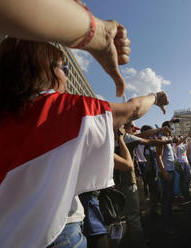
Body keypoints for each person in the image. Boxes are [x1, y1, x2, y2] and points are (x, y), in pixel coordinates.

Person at [0, 38, 169, 248]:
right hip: (56, 235)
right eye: (65, 67)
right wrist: (156, 96)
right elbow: (132, 109)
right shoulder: (62, 110)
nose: (66, 76)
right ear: (46, 70)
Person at [0, 0, 130, 97]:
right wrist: (98, 33)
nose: (67, 79)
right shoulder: (65, 110)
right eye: (65, 68)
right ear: (38, 71)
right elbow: (133, 109)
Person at [116, 121, 172, 248]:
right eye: (131, 127)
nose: (133, 130)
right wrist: (167, 140)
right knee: (134, 216)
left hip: (118, 182)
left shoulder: (112, 138)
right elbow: (146, 139)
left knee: (126, 216)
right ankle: (138, 242)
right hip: (129, 181)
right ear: (124, 128)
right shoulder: (125, 138)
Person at [79, 126, 134, 248]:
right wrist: (120, 139)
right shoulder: (95, 145)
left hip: (74, 205)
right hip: (90, 202)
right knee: (99, 239)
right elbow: (128, 165)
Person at [155, 121, 177, 234]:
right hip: (166, 173)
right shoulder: (161, 138)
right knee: (166, 199)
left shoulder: (167, 139)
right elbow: (158, 156)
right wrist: (163, 172)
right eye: (170, 128)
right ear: (165, 128)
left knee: (170, 197)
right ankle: (166, 226)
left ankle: (170, 219)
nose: (171, 130)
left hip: (170, 171)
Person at [175, 136, 191, 205]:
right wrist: (187, 136)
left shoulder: (183, 145)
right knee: (183, 180)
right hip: (180, 163)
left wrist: (189, 142)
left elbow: (188, 152)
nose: (182, 139)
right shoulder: (175, 145)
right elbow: (179, 142)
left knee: (189, 177)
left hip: (186, 162)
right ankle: (185, 196)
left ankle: (186, 193)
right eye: (180, 138)